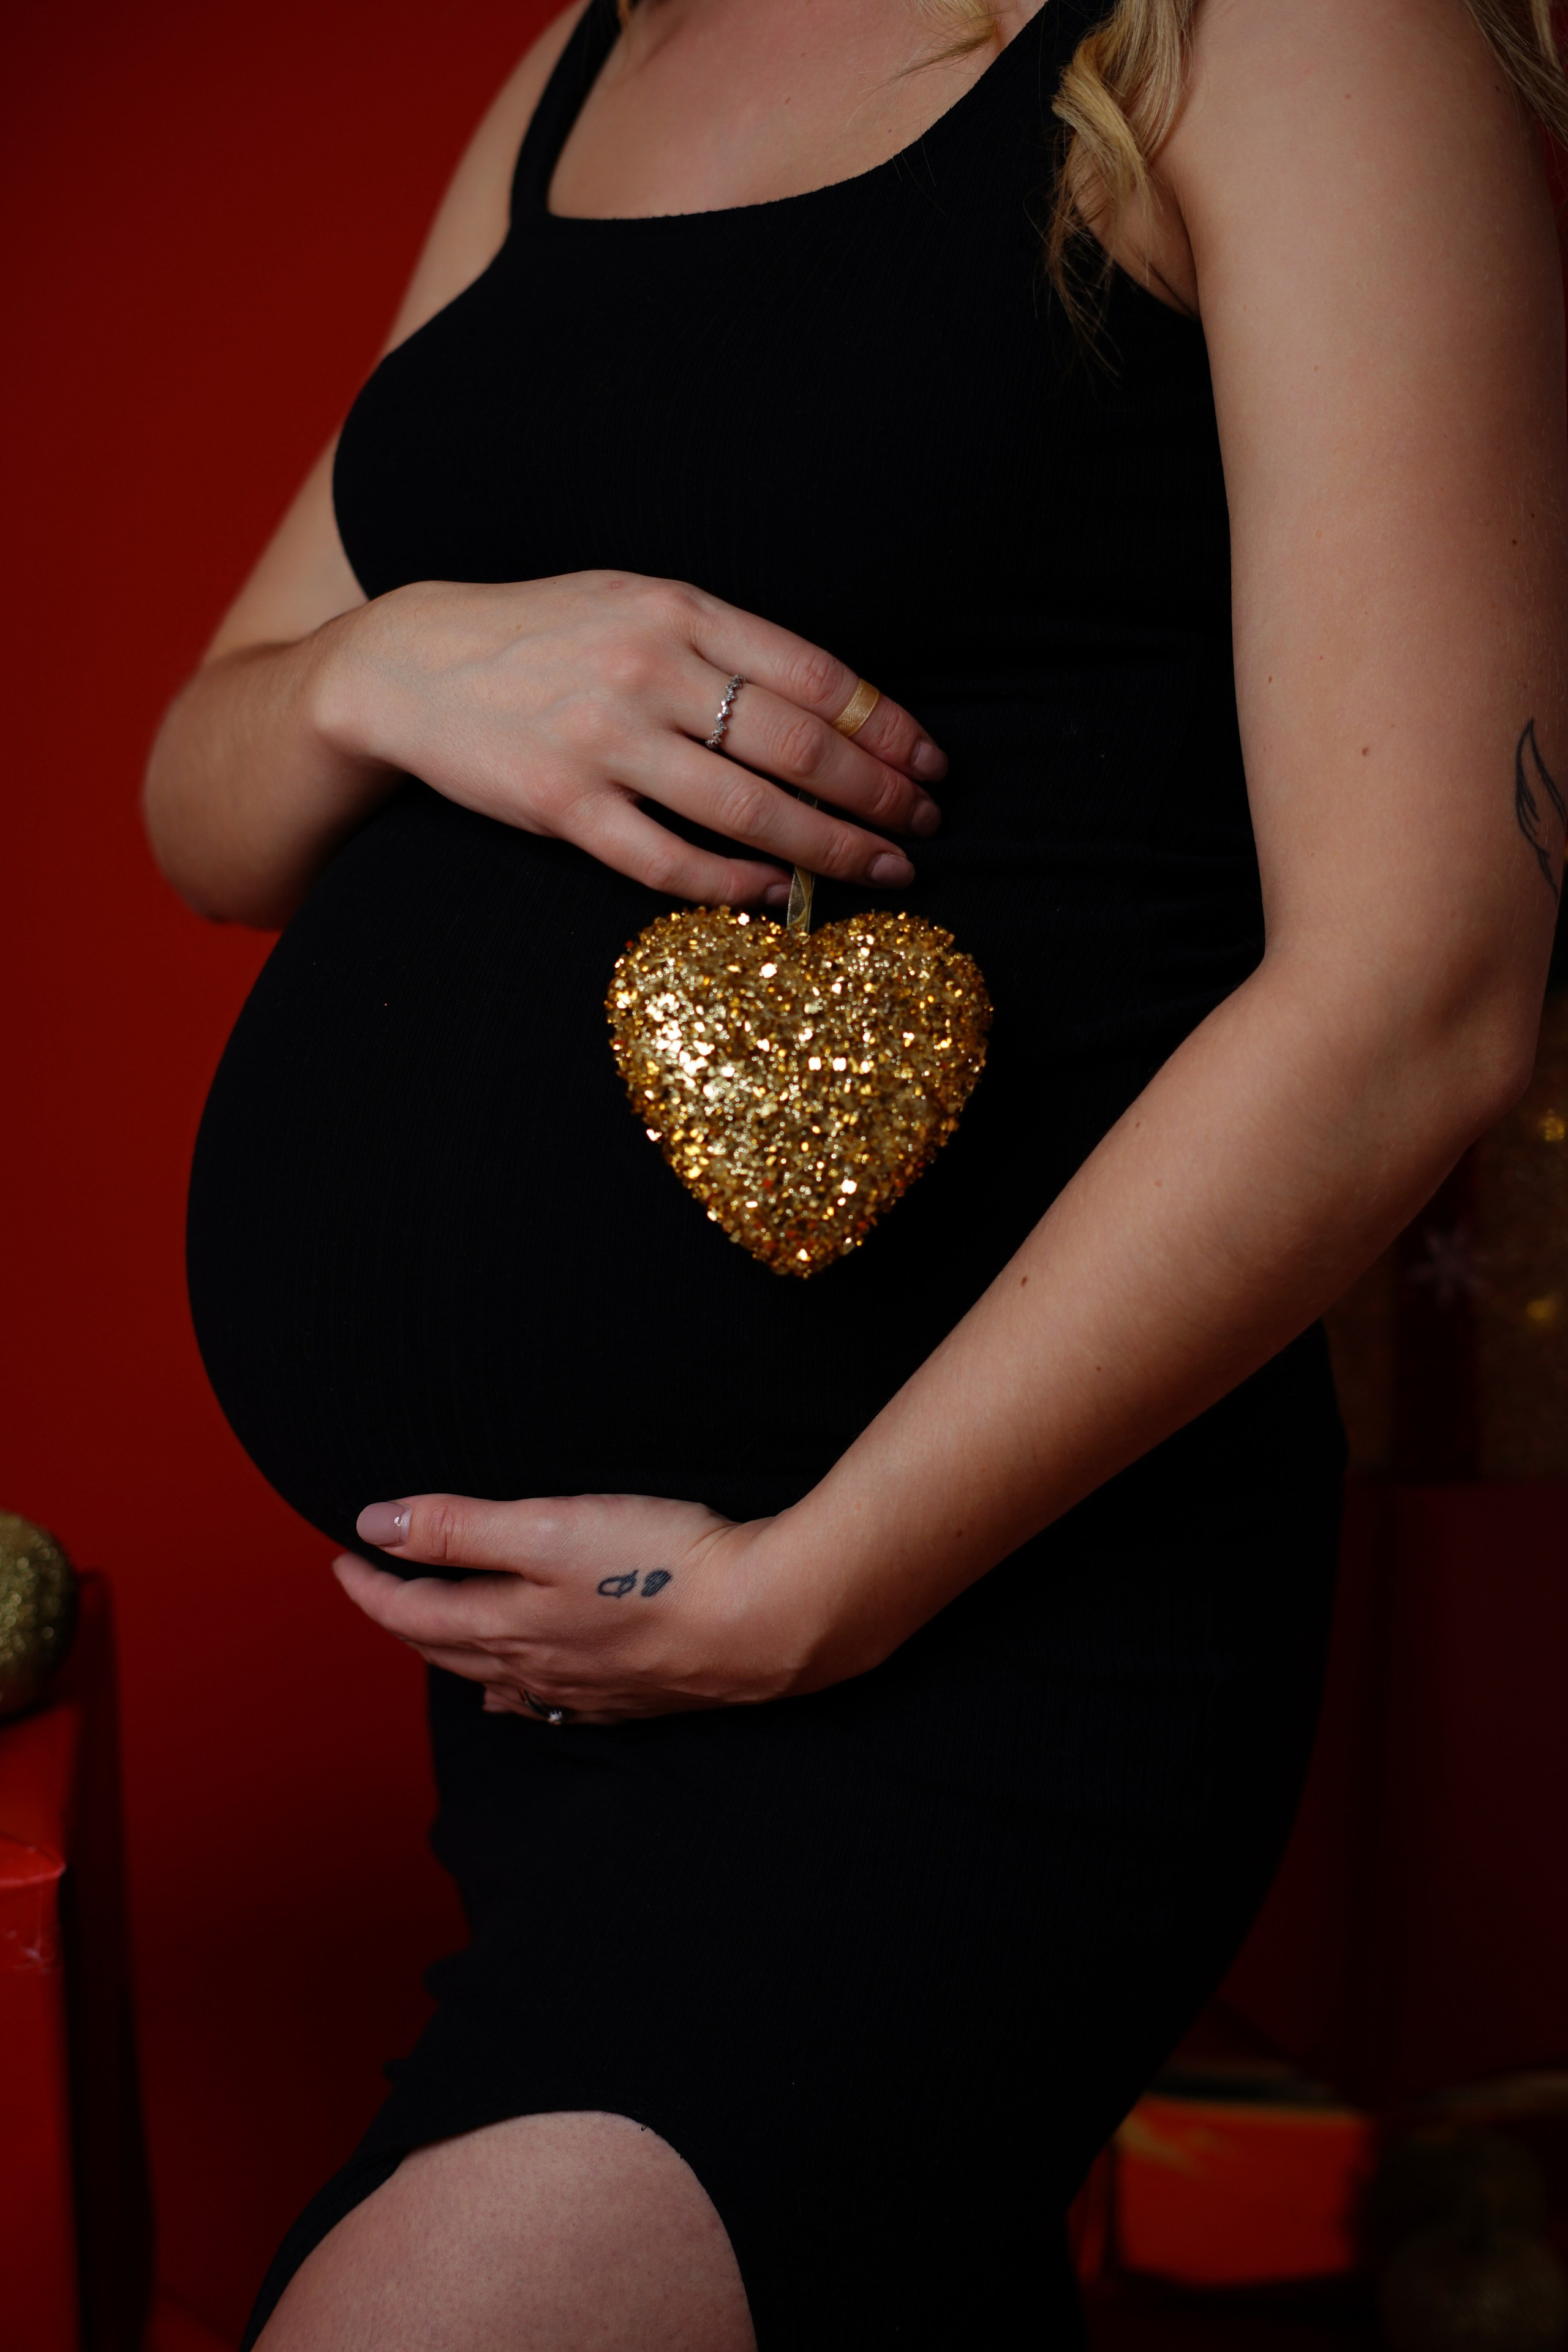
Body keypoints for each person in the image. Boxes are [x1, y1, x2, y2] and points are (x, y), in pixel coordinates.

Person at [144, 0, 1568, 2344]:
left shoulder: (1279, 39)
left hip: (974, 1631)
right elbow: (202, 810)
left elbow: (1423, 986)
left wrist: (815, 1589)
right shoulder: (593, 57)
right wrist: (384, 668)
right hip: (578, 1685)